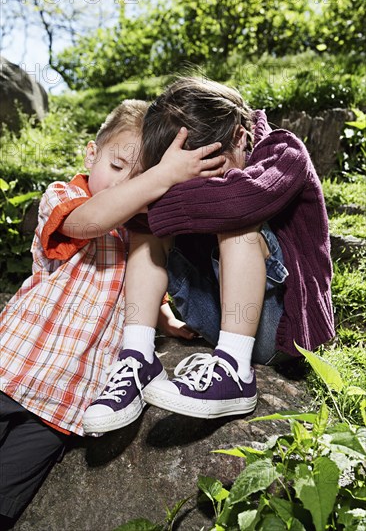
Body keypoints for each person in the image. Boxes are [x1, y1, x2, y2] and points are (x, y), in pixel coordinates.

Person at [0, 99, 225, 528]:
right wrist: (161, 175)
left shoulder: (144, 233)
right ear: (91, 153)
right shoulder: (67, 198)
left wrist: (167, 320)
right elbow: (90, 222)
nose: (126, 185)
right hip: (10, 368)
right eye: (117, 166)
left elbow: (144, 289)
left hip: (59, 407)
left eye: (142, 178)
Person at [83, 77, 334, 430]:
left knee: (235, 222)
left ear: (239, 137)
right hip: (211, 317)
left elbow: (238, 202)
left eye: (210, 174)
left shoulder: (284, 151)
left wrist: (146, 201)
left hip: (280, 328)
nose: (195, 191)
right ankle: (138, 356)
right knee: (146, 232)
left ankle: (234, 370)